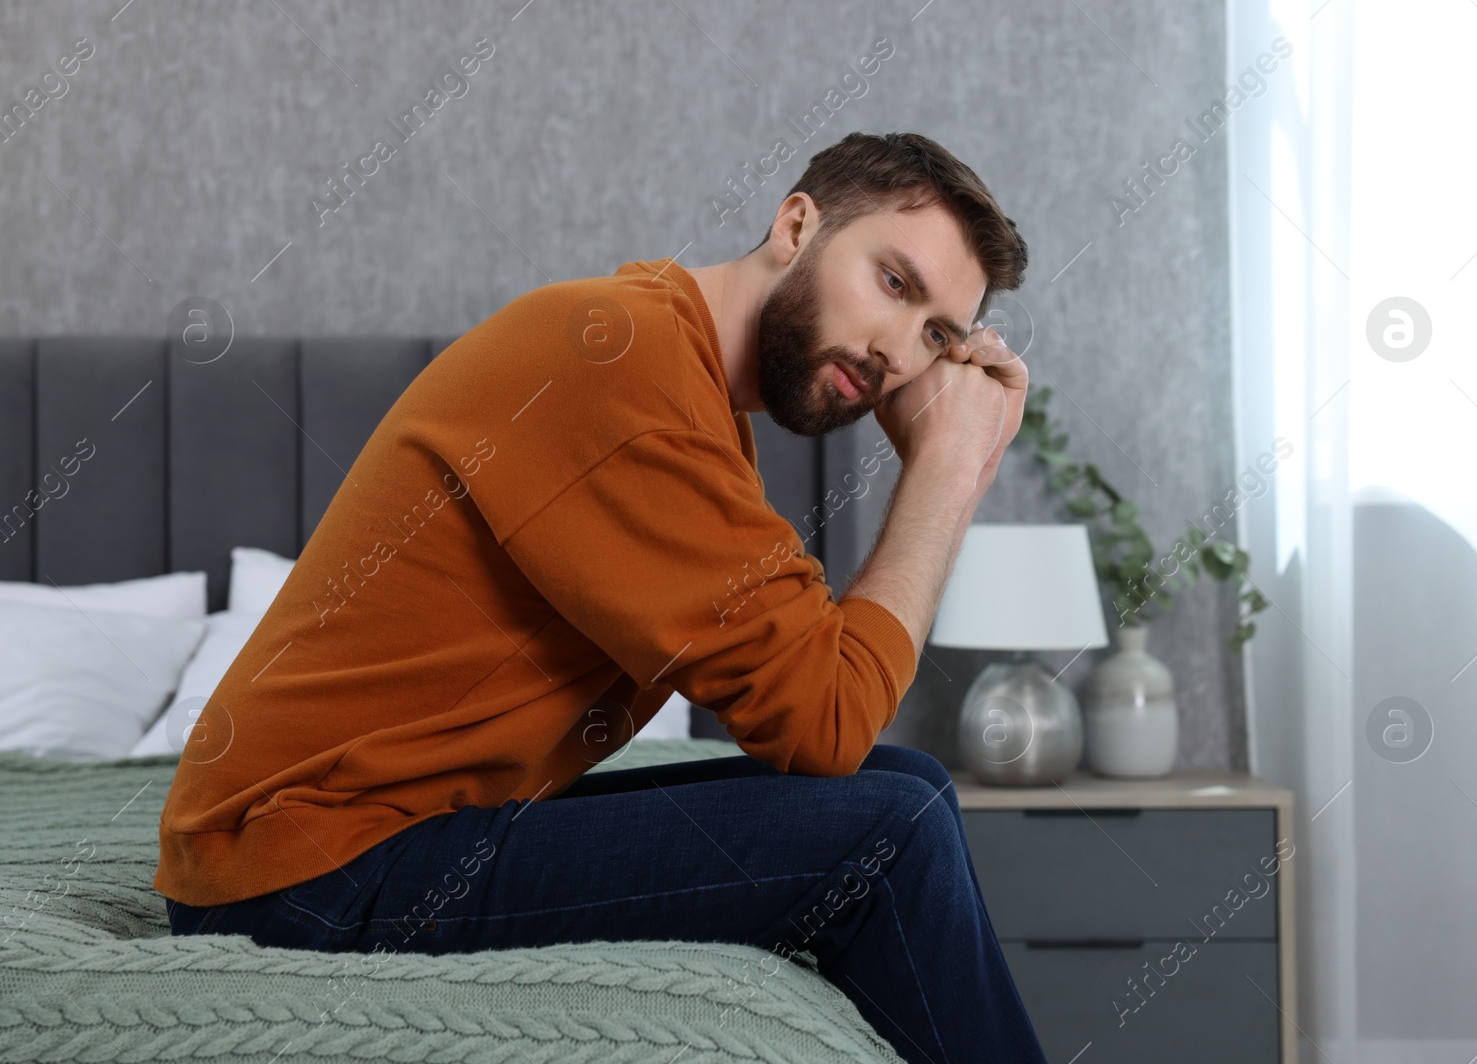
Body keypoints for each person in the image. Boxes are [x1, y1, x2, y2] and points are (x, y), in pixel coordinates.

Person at [156, 130, 1046, 1063]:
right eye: (895, 285)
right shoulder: (627, 373)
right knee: (891, 827)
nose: (896, 352)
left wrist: (948, 465)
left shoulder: (668, 364)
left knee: (910, 785)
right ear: (795, 224)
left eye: (939, 334)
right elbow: (825, 718)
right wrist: (948, 472)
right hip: (305, 876)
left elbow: (822, 706)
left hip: (367, 840)